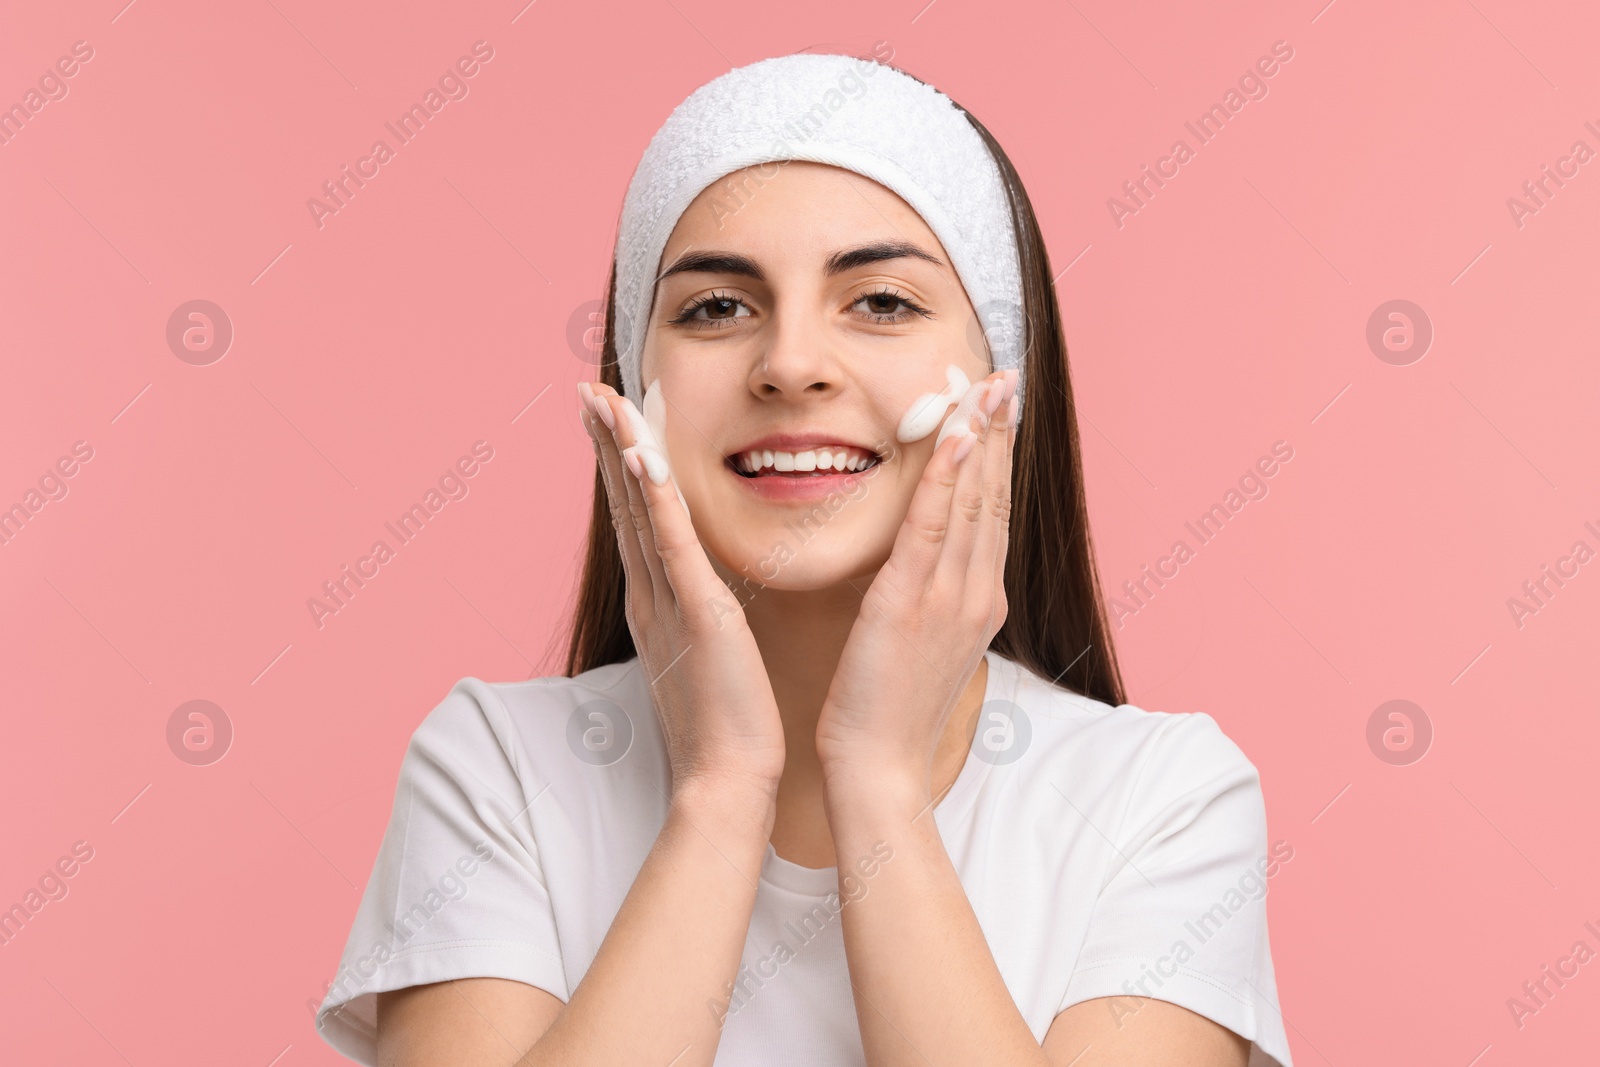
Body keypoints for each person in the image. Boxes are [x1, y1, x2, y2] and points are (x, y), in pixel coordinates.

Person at [314, 50, 1294, 1067]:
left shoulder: (1161, 798)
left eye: (880, 302)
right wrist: (721, 790)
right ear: (630, 384)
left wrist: (875, 781)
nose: (788, 364)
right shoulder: (498, 768)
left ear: (1003, 382)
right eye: (715, 308)